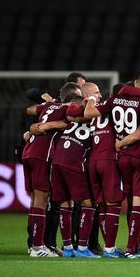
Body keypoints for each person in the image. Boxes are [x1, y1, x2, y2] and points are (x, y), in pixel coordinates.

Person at [84, 71, 140, 259]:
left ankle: (132, 245)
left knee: (127, 201)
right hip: (138, 154)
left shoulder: (115, 99)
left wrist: (90, 99)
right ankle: (131, 248)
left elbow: (88, 113)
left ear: (136, 82)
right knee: (138, 203)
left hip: (121, 157)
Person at [22, 82, 81, 257]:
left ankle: (35, 245)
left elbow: (30, 111)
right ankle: (37, 247)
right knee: (41, 201)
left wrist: (43, 121)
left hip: (29, 152)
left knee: (34, 202)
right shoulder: (67, 110)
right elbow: (71, 118)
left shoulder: (48, 106)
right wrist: (58, 123)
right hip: (43, 155)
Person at [51, 94, 100, 258]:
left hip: (57, 160)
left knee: (66, 203)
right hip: (74, 161)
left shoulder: (71, 118)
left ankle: (67, 248)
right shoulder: (93, 117)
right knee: (88, 204)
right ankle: (82, 248)